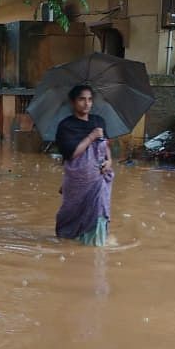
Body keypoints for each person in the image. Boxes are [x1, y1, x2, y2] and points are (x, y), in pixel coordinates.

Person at [53, 84, 114, 246]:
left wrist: (109, 161)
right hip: (77, 181)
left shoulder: (98, 121)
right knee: (71, 212)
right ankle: (70, 241)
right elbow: (71, 153)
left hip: (98, 178)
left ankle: (95, 246)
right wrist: (91, 136)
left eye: (89, 99)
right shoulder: (66, 126)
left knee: (99, 210)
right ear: (73, 102)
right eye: (82, 99)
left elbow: (106, 146)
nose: (87, 103)